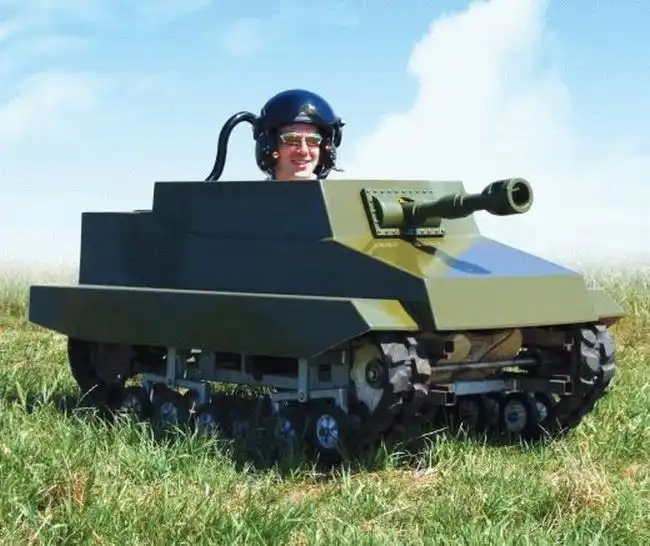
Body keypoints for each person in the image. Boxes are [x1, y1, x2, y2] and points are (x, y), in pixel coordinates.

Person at [254, 89, 345, 181]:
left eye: (313, 141)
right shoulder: (251, 191)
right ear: (270, 146)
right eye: (291, 139)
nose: (303, 151)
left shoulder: (344, 190)